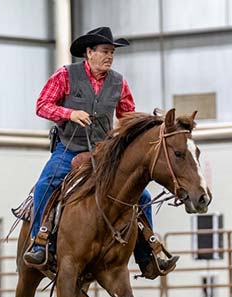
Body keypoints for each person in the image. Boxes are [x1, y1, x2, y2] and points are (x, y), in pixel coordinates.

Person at [24, 26, 178, 279]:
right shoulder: (65, 76)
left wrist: (145, 125)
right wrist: (69, 113)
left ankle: (147, 254)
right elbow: (42, 105)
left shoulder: (119, 82)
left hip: (103, 151)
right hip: (68, 147)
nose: (109, 57)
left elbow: (127, 115)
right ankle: (40, 242)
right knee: (46, 184)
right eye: (105, 51)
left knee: (143, 196)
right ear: (89, 52)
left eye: (112, 53)